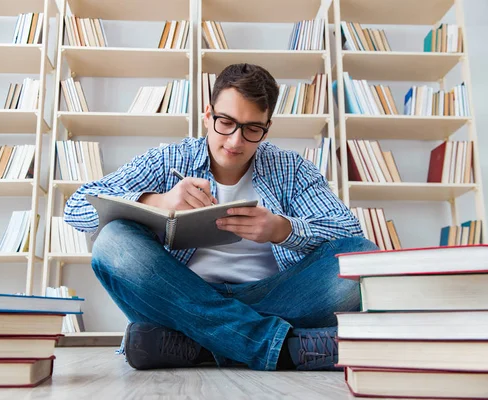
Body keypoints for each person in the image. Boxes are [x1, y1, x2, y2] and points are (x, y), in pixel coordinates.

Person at [63, 63, 378, 372]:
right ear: (207, 114)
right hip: (178, 293)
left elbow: (349, 233)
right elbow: (77, 207)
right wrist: (159, 201)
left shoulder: (291, 169)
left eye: (252, 129)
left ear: (267, 128)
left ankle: (193, 346)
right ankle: (283, 347)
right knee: (112, 241)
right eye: (225, 122)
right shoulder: (168, 159)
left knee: (361, 258)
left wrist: (282, 229)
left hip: (272, 296)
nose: (235, 141)